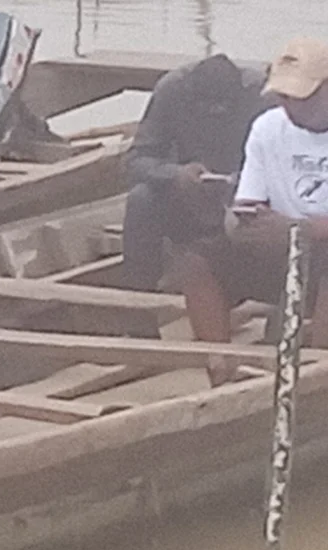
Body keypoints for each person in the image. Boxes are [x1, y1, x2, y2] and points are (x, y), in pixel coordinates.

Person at [178, 38, 328, 379]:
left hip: (317, 245)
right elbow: (250, 200)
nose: (292, 107)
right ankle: (222, 371)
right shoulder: (267, 127)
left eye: (302, 98)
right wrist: (243, 221)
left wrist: (300, 230)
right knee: (198, 262)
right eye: (285, 97)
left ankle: (318, 374)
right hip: (285, 245)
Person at [123, 53, 267, 292]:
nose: (216, 112)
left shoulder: (261, 95)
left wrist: (245, 181)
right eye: (208, 107)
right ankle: (138, 292)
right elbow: (136, 159)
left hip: (247, 199)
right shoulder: (171, 90)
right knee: (141, 199)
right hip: (187, 196)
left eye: (223, 107)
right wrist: (175, 174)